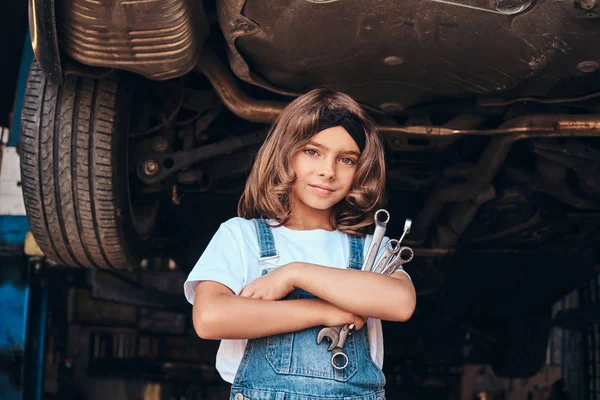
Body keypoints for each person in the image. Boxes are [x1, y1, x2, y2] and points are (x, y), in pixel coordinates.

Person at [183, 88, 417, 400]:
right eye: (312, 151)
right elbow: (210, 318)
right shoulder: (242, 236)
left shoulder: (369, 248)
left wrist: (293, 274)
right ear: (285, 153)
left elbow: (401, 303)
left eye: (346, 159)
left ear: (360, 170)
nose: (327, 171)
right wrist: (322, 311)